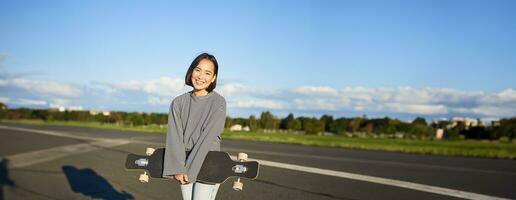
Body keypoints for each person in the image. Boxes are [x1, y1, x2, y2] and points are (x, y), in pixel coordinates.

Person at [162, 53, 226, 200]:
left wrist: (190, 170)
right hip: (184, 163)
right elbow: (175, 138)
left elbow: (207, 138)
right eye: (198, 70)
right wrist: (178, 168)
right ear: (191, 71)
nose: (201, 76)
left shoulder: (218, 102)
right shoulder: (178, 102)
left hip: (209, 161)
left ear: (213, 78)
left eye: (207, 73)